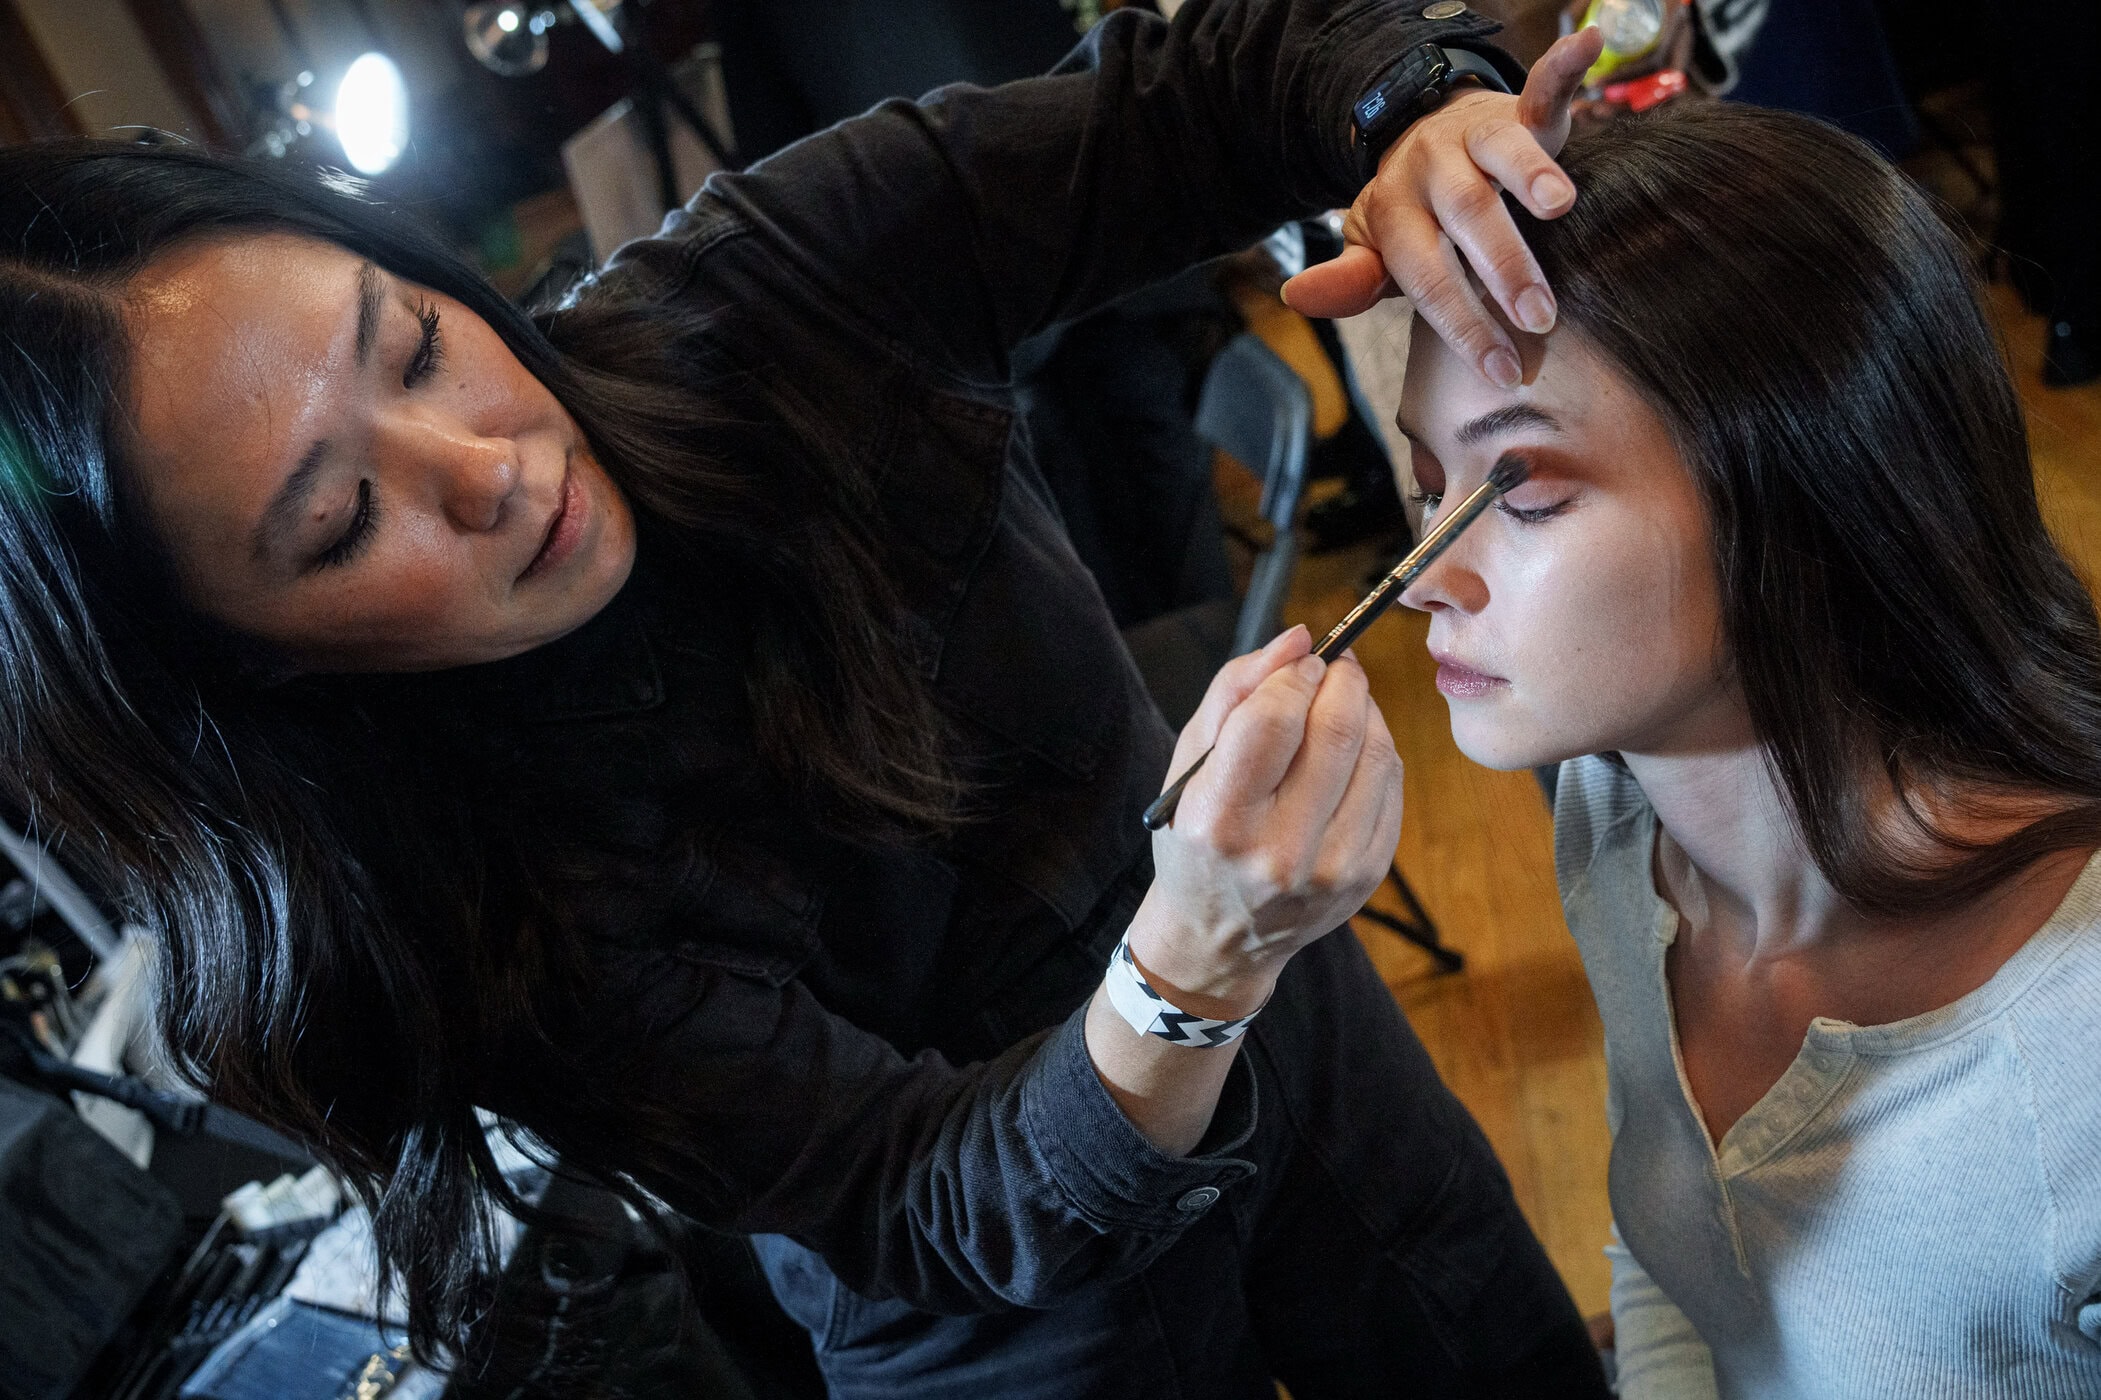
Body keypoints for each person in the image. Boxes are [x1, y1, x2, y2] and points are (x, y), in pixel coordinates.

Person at [0, 3, 1616, 1395]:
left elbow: (1203, 94)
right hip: (994, 1307)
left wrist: (1414, 117)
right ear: (252, 660)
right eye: (344, 520)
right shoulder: (446, 898)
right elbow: (930, 1202)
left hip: (1282, 1039)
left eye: (416, 347)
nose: (488, 469)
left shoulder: (766, 298)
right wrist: (1188, 964)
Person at [1394, 101, 2101, 1396]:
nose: (1421, 579)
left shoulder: (2077, 1043)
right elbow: (1678, 1266)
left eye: (1518, 491)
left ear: (1810, 487)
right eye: (1423, 487)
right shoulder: (1617, 820)